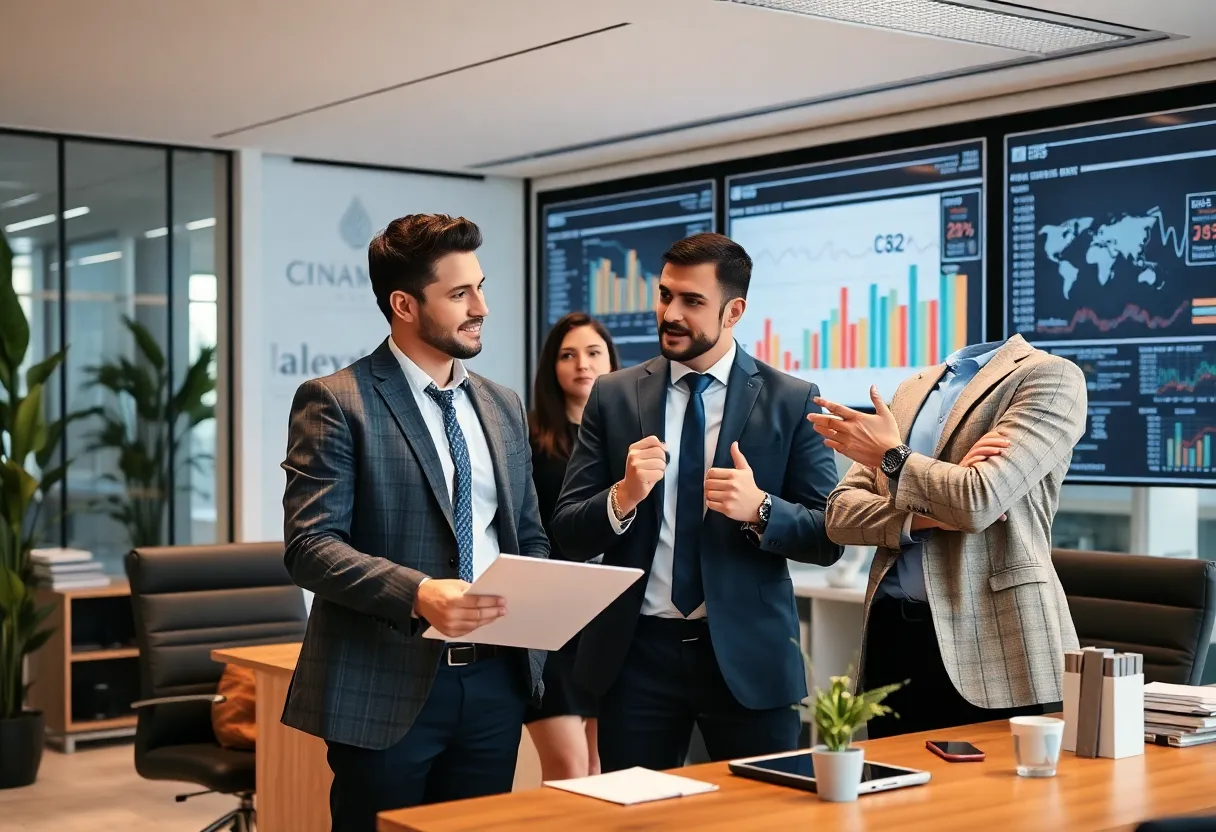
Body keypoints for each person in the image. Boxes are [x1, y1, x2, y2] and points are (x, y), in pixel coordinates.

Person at [279, 214, 549, 831]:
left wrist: (543, 595)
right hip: (385, 683)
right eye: (459, 294)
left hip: (494, 681)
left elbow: (526, 533)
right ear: (404, 304)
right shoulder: (336, 400)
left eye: (480, 288)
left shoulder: (502, 404)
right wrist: (419, 593)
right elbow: (311, 546)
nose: (481, 308)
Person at [551, 232, 843, 772]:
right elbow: (567, 530)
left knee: (764, 807)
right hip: (635, 656)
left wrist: (761, 509)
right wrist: (622, 496)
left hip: (749, 658)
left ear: (734, 312)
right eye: (665, 295)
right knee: (635, 811)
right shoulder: (614, 395)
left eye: (692, 301)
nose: (670, 313)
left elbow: (829, 536)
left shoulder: (791, 399)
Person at [807, 334, 1085, 738]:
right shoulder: (911, 391)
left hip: (996, 638)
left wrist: (891, 457)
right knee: (892, 776)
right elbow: (840, 514)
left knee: (1006, 780)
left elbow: (977, 500)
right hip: (892, 632)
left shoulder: (1048, 376)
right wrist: (934, 514)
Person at [525, 312, 619, 780]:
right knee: (569, 769)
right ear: (552, 367)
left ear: (611, 361)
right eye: (568, 355)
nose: (582, 364)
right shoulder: (528, 439)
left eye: (593, 352)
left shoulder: (630, 438)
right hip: (550, 618)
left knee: (602, 768)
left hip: (610, 616)